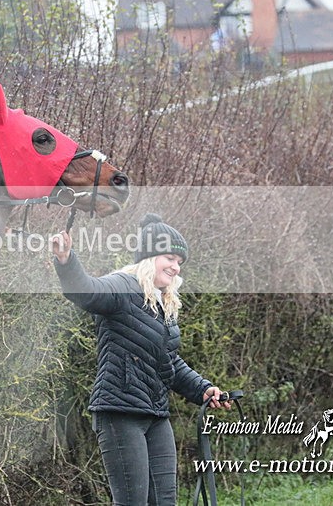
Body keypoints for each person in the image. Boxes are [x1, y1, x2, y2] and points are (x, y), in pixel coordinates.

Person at [51, 213, 232, 505]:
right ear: (149, 256)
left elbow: (169, 363)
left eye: (179, 262)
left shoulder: (163, 304)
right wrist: (66, 260)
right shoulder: (122, 286)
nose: (175, 266)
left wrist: (203, 389)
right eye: (170, 258)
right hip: (119, 412)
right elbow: (86, 292)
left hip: (156, 415)